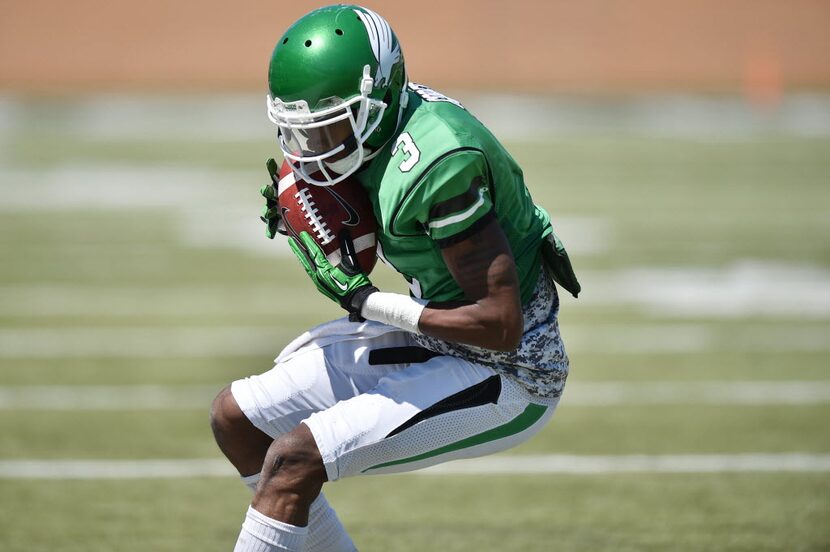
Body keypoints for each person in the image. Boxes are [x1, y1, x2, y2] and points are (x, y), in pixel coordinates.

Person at [210, 5, 580, 551]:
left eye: (332, 124)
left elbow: (501, 324)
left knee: (293, 461)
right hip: (441, 333)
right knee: (235, 418)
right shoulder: (384, 124)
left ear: (378, 103)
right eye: (304, 130)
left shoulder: (438, 161)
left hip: (513, 368)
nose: (313, 149)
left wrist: (366, 301)